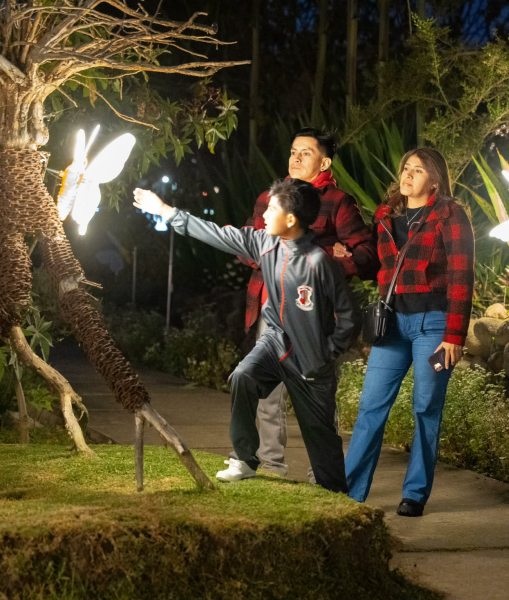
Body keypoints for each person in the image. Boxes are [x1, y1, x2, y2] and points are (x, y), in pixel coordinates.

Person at [133, 179, 359, 494]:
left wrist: (328, 353)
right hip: (272, 345)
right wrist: (165, 211)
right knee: (243, 376)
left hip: (310, 361)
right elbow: (216, 233)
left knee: (321, 441)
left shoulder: (319, 263)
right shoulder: (263, 243)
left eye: (272, 208)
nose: (264, 214)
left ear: (291, 219)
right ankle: (244, 459)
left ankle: (335, 494)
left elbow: (349, 315)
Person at [238, 127, 378, 477]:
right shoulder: (269, 198)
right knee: (266, 392)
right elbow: (248, 246)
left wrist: (331, 258)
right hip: (271, 309)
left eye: (306, 152)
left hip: (315, 316)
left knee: (317, 393)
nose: (296, 157)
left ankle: (324, 473)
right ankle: (271, 466)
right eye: (293, 151)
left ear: (325, 161)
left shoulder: (338, 202)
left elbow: (366, 254)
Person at [343, 147, 475, 516]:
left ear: (434, 179)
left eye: (418, 170)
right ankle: (348, 490)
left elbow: (463, 276)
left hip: (433, 329)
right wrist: (347, 257)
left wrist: (454, 336)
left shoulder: (450, 214)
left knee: (425, 406)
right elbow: (379, 268)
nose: (408, 174)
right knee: (371, 405)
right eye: (405, 168)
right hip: (392, 327)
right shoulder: (385, 216)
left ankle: (414, 493)